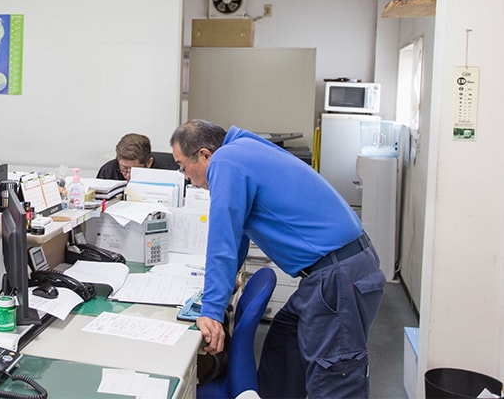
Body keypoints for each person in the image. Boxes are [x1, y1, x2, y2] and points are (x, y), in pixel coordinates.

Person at [170, 119, 385, 399]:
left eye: (183, 166)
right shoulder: (244, 149)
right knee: (283, 346)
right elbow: (236, 239)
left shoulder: (226, 160)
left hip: (337, 276)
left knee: (335, 381)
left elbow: (222, 238)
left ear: (205, 155)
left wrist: (211, 310)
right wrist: (222, 288)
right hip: (336, 271)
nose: (185, 176)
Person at [96, 132, 176, 181]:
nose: (128, 176)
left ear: (149, 163)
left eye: (134, 170)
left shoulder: (167, 175)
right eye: (124, 169)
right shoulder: (107, 172)